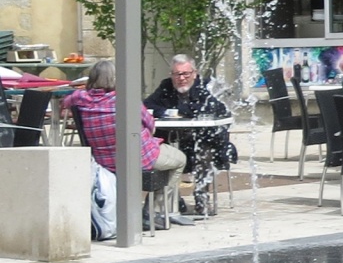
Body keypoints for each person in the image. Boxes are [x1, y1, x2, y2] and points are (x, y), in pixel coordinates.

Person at [65, 59, 188, 224]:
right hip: (139, 158)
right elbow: (151, 126)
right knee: (180, 159)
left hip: (104, 162)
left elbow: (65, 103)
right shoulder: (126, 99)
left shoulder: (79, 98)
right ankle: (153, 211)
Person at [143, 55, 234, 215]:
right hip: (175, 140)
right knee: (162, 151)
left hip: (205, 141)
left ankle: (202, 200)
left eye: (186, 74)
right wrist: (168, 112)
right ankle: (173, 201)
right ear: (171, 75)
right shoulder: (166, 86)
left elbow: (217, 110)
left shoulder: (205, 87)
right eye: (177, 74)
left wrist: (181, 112)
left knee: (204, 151)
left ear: (194, 73)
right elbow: (147, 105)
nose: (181, 78)